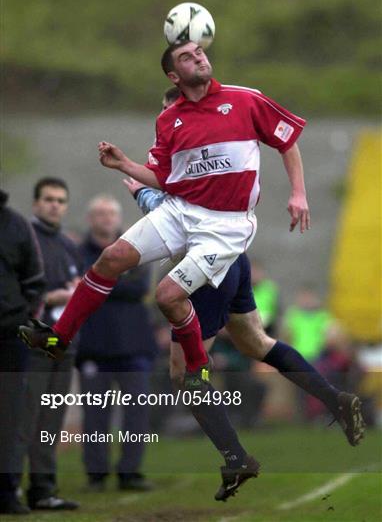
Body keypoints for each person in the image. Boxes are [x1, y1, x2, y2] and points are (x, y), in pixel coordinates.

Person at [20, 41, 365, 500]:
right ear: (173, 81)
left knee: (181, 358)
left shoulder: (240, 101)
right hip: (197, 230)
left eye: (200, 51)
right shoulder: (171, 122)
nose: (200, 58)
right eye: (187, 56)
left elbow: (284, 140)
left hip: (221, 240)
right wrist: (125, 165)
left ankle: (236, 455)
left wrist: (298, 193)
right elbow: (167, 180)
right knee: (251, 339)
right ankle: (334, 400)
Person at [76, 195, 156, 492]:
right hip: (93, 348)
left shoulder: (135, 247)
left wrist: (99, 282)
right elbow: (83, 285)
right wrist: (108, 281)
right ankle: (96, 474)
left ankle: (130, 472)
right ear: (90, 219)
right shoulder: (78, 252)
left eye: (110, 213)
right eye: (100, 214)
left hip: (134, 347)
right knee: (95, 415)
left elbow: (139, 287)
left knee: (136, 413)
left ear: (118, 218)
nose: (105, 218)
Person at [15, 178, 81, 511]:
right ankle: (9, 487)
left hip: (64, 342)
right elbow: (15, 289)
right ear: (36, 203)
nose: (55, 205)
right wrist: (52, 296)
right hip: (34, 338)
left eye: (60, 200)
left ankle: (42, 489)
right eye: (48, 199)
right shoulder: (25, 239)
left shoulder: (69, 245)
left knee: (51, 420)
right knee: (23, 418)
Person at [0, 189, 46, 515]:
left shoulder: (16, 225)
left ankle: (6, 492)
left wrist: (19, 317)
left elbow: (34, 281)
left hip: (9, 336)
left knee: (10, 415)